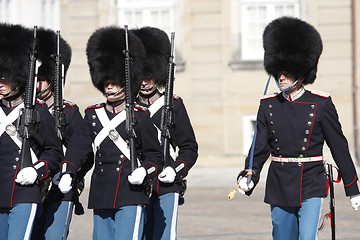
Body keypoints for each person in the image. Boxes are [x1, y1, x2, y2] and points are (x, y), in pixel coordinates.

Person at [236, 16, 360, 240]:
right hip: (280, 182)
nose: (280, 76)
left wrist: (352, 187)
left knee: (306, 237)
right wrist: (250, 174)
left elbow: (339, 146)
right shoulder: (268, 105)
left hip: (311, 181)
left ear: (301, 72)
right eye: (278, 71)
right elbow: (260, 146)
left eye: (287, 71)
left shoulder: (321, 104)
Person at [57, 26, 164, 240]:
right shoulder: (93, 114)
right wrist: (69, 170)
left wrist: (145, 172)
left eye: (114, 83)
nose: (110, 88)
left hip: (131, 193)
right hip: (102, 193)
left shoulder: (139, 115)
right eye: (107, 83)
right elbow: (78, 147)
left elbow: (155, 156)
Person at [133, 27, 198, 240]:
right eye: (141, 75)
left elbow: (189, 148)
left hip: (166, 184)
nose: (144, 81)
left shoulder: (174, 105)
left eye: (150, 76)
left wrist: (176, 170)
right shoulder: (129, 109)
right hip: (135, 184)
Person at [0, 23, 62, 239]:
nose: (1, 83)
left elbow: (54, 152)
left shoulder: (39, 111)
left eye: (5, 78)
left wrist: (37, 171)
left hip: (24, 193)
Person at [31, 27, 93, 240]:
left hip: (59, 187)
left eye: (42, 79)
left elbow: (84, 151)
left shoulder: (68, 111)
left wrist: (71, 174)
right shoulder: (24, 110)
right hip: (29, 185)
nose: (37, 84)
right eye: (35, 79)